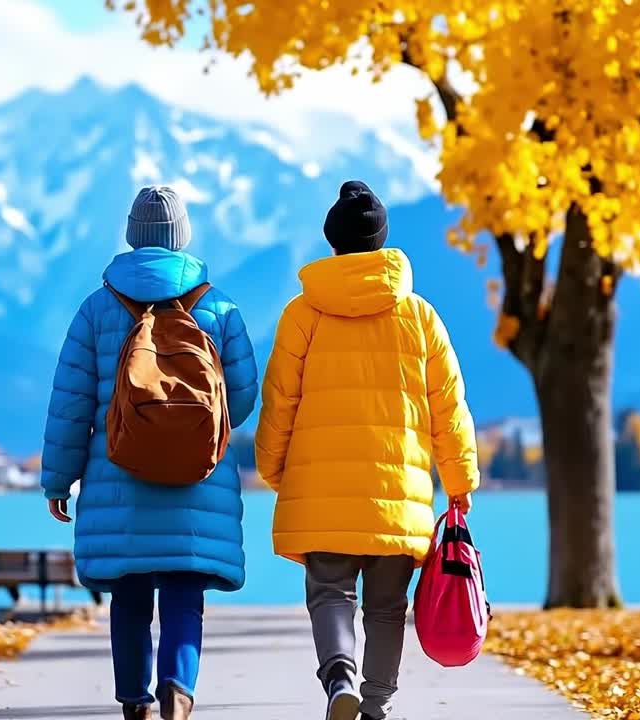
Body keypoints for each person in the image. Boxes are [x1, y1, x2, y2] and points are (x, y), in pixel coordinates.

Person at [254, 180, 479, 720]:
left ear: (333, 242)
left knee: (330, 592)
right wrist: (459, 479)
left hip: (323, 490)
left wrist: (272, 466)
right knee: (385, 608)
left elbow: (279, 400)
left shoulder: (302, 314)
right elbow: (448, 405)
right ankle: (376, 704)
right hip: (397, 496)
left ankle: (339, 679)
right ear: (382, 242)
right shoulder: (421, 317)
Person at [41, 185, 259, 720]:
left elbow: (69, 405)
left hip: (118, 473)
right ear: (182, 237)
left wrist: (58, 479)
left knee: (130, 594)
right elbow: (246, 393)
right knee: (185, 591)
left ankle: (134, 701)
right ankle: (178, 691)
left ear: (131, 237)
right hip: (197, 480)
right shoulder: (220, 308)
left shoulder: (95, 311)